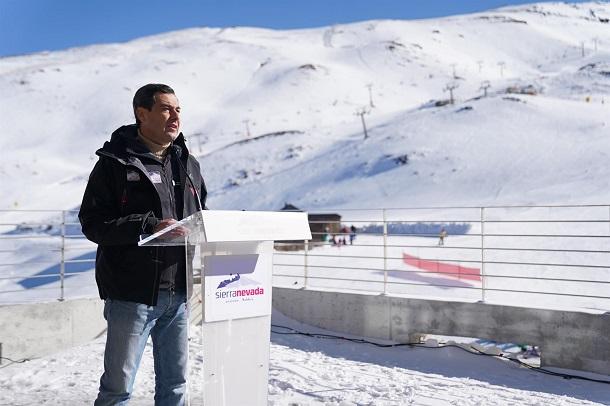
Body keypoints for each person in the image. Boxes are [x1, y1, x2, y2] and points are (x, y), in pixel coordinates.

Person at [79, 83, 207, 406]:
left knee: (176, 387)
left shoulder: (189, 165)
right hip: (131, 296)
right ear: (142, 114)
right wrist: (147, 227)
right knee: (117, 390)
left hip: (178, 294)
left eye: (178, 109)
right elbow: (92, 222)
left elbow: (199, 215)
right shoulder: (115, 163)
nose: (175, 116)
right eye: (166, 109)